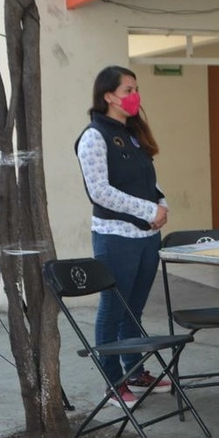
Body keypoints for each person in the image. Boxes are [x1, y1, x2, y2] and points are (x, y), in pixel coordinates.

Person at [77, 65, 171, 409]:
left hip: (146, 236)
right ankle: (113, 381)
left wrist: (161, 204)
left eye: (136, 89)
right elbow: (100, 191)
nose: (135, 96)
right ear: (108, 96)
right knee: (113, 310)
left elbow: (147, 179)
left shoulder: (132, 133)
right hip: (115, 237)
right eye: (128, 90)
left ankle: (134, 370)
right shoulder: (94, 136)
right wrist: (148, 210)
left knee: (134, 310)